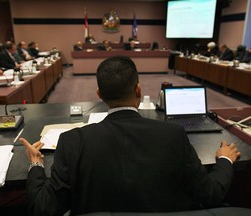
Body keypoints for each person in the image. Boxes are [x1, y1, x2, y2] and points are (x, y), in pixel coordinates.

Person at [20, 55, 240, 216]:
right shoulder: (173, 135)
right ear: (138, 91)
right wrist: (225, 159)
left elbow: (44, 208)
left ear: (99, 95)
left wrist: (36, 165)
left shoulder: (72, 141)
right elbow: (210, 195)